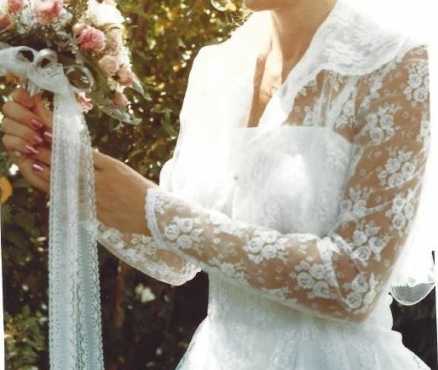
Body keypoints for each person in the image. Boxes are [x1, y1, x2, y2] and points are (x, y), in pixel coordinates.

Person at [0, 0, 433, 368]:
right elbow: (176, 261)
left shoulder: (394, 63)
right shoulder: (219, 65)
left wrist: (156, 211)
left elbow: (354, 281)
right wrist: (65, 171)